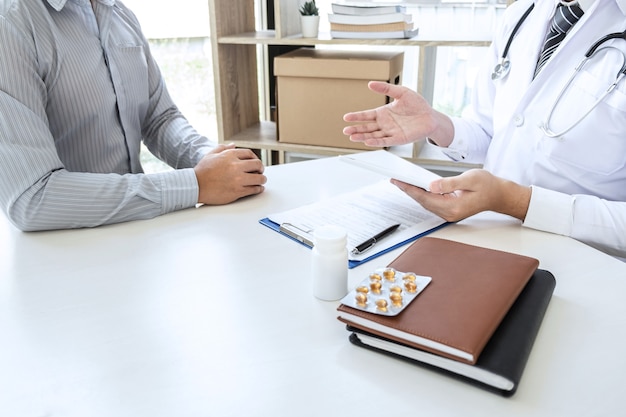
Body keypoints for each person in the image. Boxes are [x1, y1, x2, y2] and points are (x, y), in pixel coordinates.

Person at [343, 0, 626, 260]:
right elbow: (493, 132)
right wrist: (436, 124)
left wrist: (515, 201)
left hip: (586, 259)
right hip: (491, 238)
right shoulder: (522, 15)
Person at [0, 0, 266, 232]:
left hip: (138, 235)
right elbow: (31, 197)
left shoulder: (119, 14)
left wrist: (208, 157)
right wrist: (194, 184)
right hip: (65, 259)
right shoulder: (11, 22)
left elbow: (160, 118)